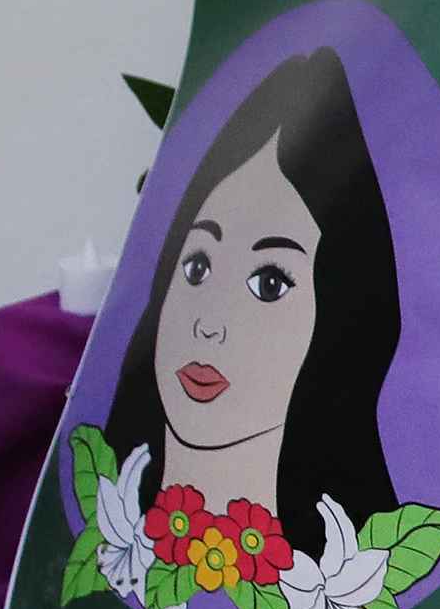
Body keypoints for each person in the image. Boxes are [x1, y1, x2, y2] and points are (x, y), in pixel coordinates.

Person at [102, 46, 402, 553]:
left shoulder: (342, 587)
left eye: (269, 283)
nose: (208, 325)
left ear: (340, 315)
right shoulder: (106, 521)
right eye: (196, 266)